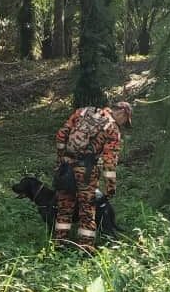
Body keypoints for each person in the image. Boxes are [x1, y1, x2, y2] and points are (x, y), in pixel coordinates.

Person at [52, 101, 132, 254]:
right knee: (87, 211)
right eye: (125, 121)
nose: (123, 124)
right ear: (122, 113)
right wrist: (110, 186)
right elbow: (109, 161)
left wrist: (62, 158)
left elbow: (61, 134)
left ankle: (59, 245)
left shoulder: (83, 111)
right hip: (86, 172)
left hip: (66, 167)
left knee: (64, 208)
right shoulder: (112, 129)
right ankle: (85, 249)